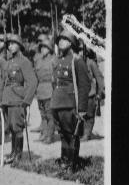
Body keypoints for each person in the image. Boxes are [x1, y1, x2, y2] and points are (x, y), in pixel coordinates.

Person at [50, 30, 91, 169]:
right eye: (60, 39)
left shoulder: (77, 61)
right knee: (62, 134)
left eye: (65, 39)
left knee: (71, 134)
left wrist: (82, 109)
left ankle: (72, 164)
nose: (61, 42)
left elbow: (84, 85)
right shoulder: (59, 60)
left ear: (71, 43)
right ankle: (64, 159)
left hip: (70, 104)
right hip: (58, 103)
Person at [0, 34, 38, 164]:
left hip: (17, 99)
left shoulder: (24, 61)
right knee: (11, 127)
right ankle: (13, 153)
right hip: (7, 99)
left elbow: (33, 82)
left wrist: (26, 101)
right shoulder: (8, 62)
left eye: (13, 43)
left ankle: (18, 156)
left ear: (19, 45)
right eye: (8, 44)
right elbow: (3, 81)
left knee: (17, 127)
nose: (10, 46)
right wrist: (1, 99)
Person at [34, 37, 56, 144]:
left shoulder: (53, 60)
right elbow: (35, 76)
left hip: (49, 90)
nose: (43, 49)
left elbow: (56, 77)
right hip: (40, 90)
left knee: (49, 115)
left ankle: (50, 136)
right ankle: (44, 133)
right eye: (42, 47)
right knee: (42, 115)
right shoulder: (38, 60)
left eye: (45, 47)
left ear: (50, 49)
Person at [83, 48, 105, 141]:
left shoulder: (91, 63)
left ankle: (86, 134)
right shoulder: (76, 62)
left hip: (90, 94)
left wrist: (100, 94)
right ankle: (83, 132)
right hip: (79, 94)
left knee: (89, 115)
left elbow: (99, 79)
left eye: (81, 51)